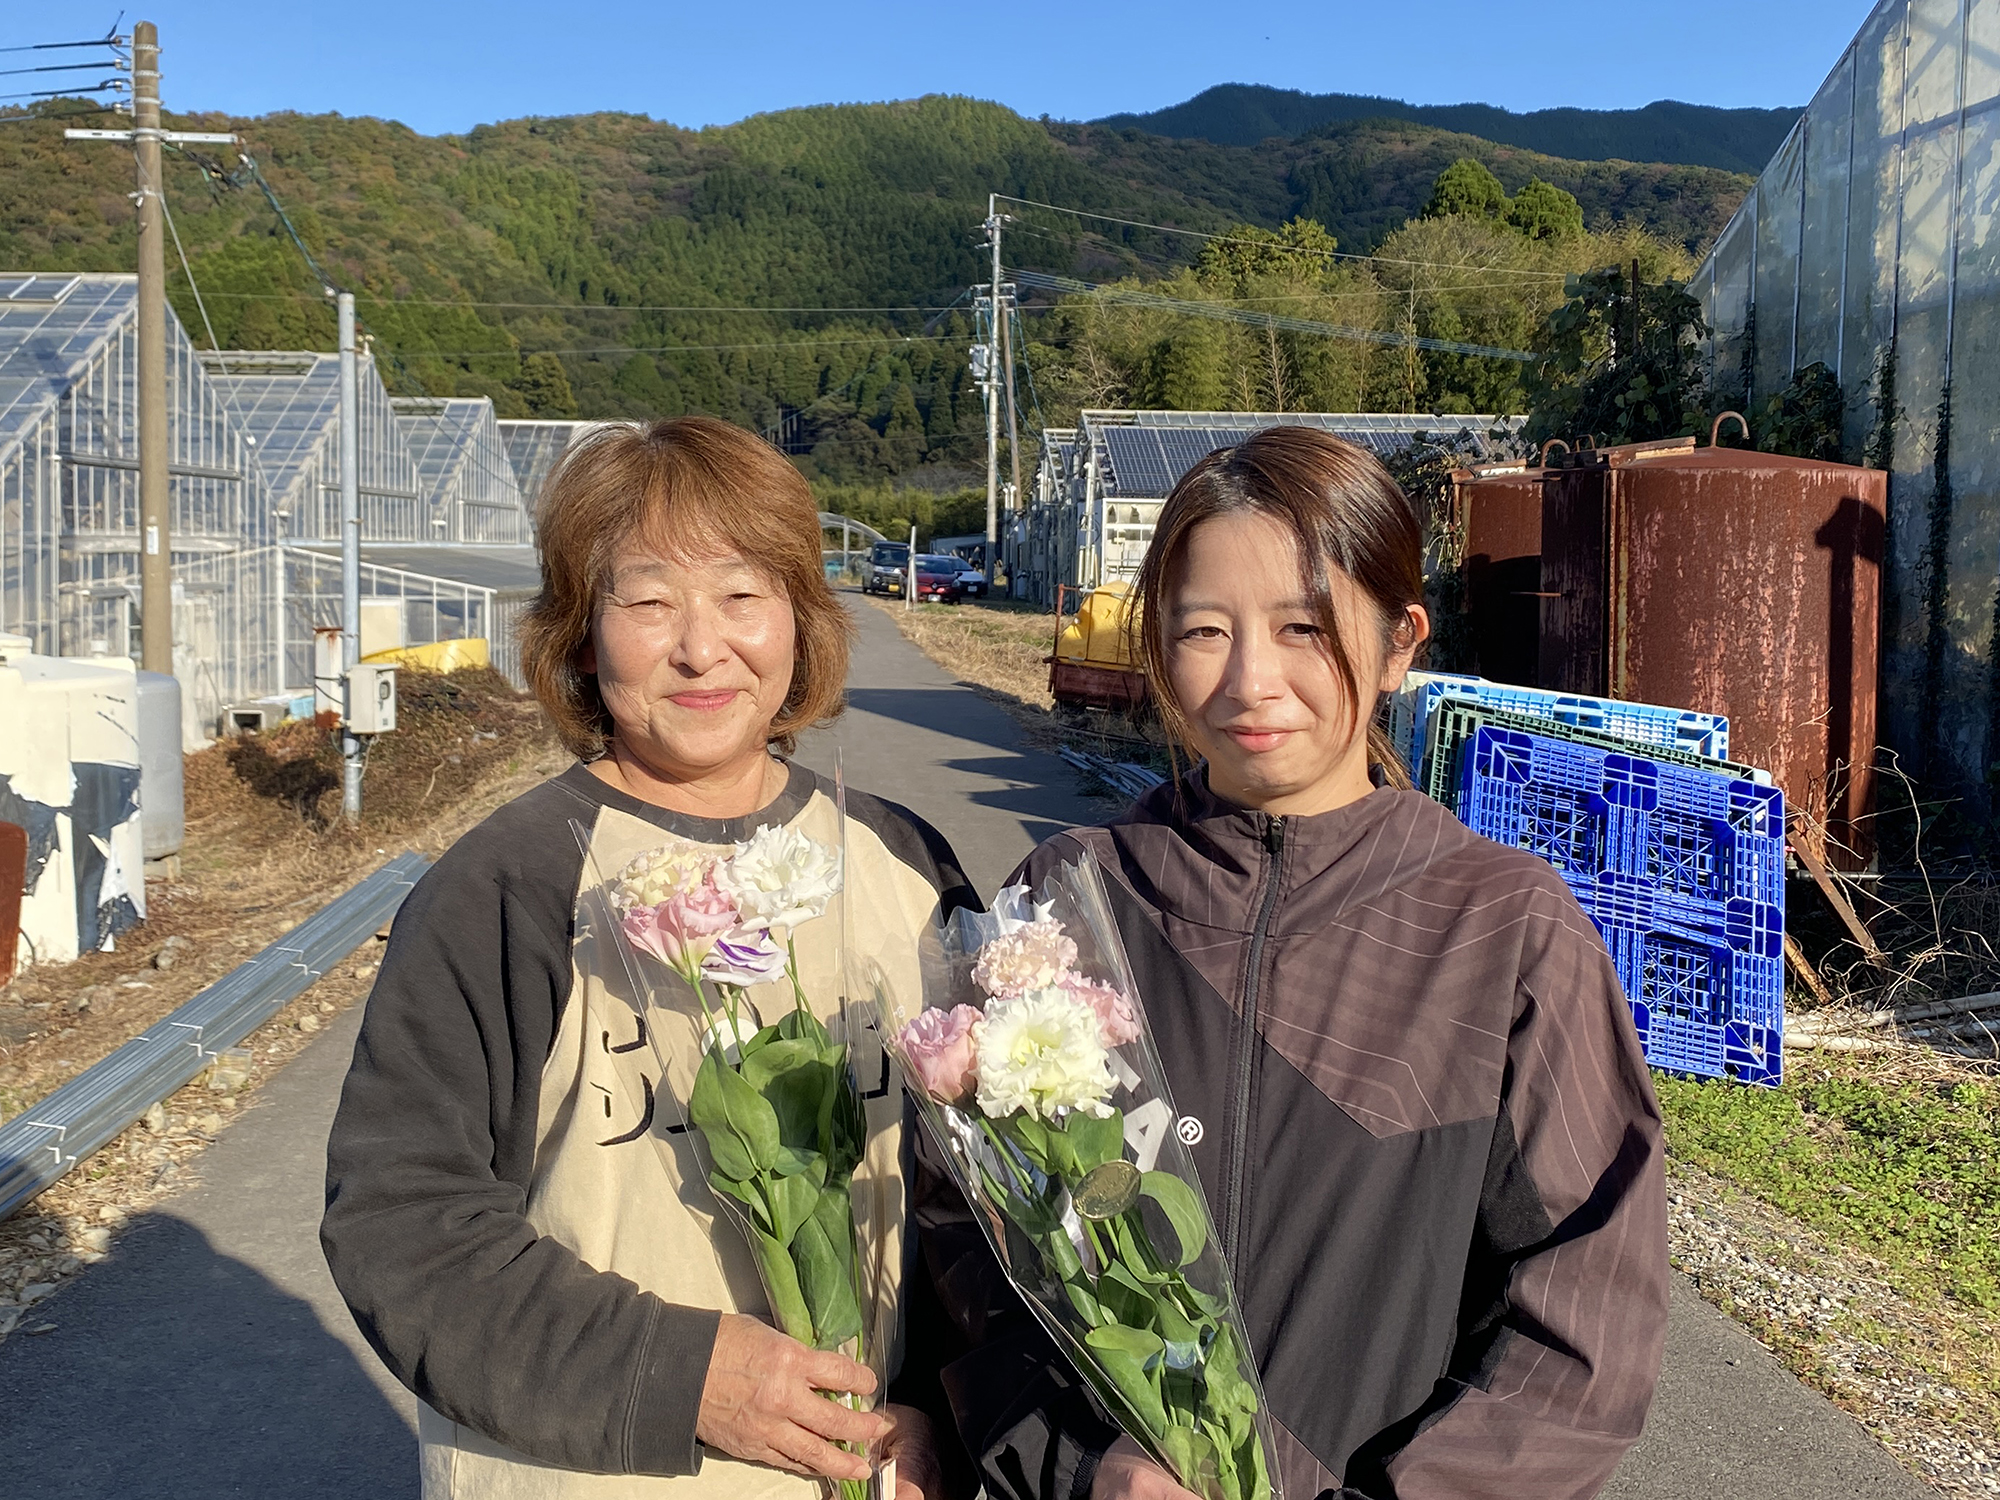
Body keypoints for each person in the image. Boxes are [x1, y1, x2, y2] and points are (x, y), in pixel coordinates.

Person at [920, 427, 1668, 1500]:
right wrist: (1085, 1467)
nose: (1248, 682)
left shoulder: (1501, 930)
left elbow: (1583, 1314)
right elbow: (969, 1250)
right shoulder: (1068, 901)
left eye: (1303, 628)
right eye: (1203, 631)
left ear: (1400, 638)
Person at [323, 416, 973, 1499]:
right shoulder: (513, 886)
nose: (700, 646)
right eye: (647, 600)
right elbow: (403, 1225)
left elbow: (970, 1201)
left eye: (740, 594)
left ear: (800, 623)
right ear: (581, 635)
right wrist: (686, 1378)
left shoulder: (900, 862)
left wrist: (953, 1402)